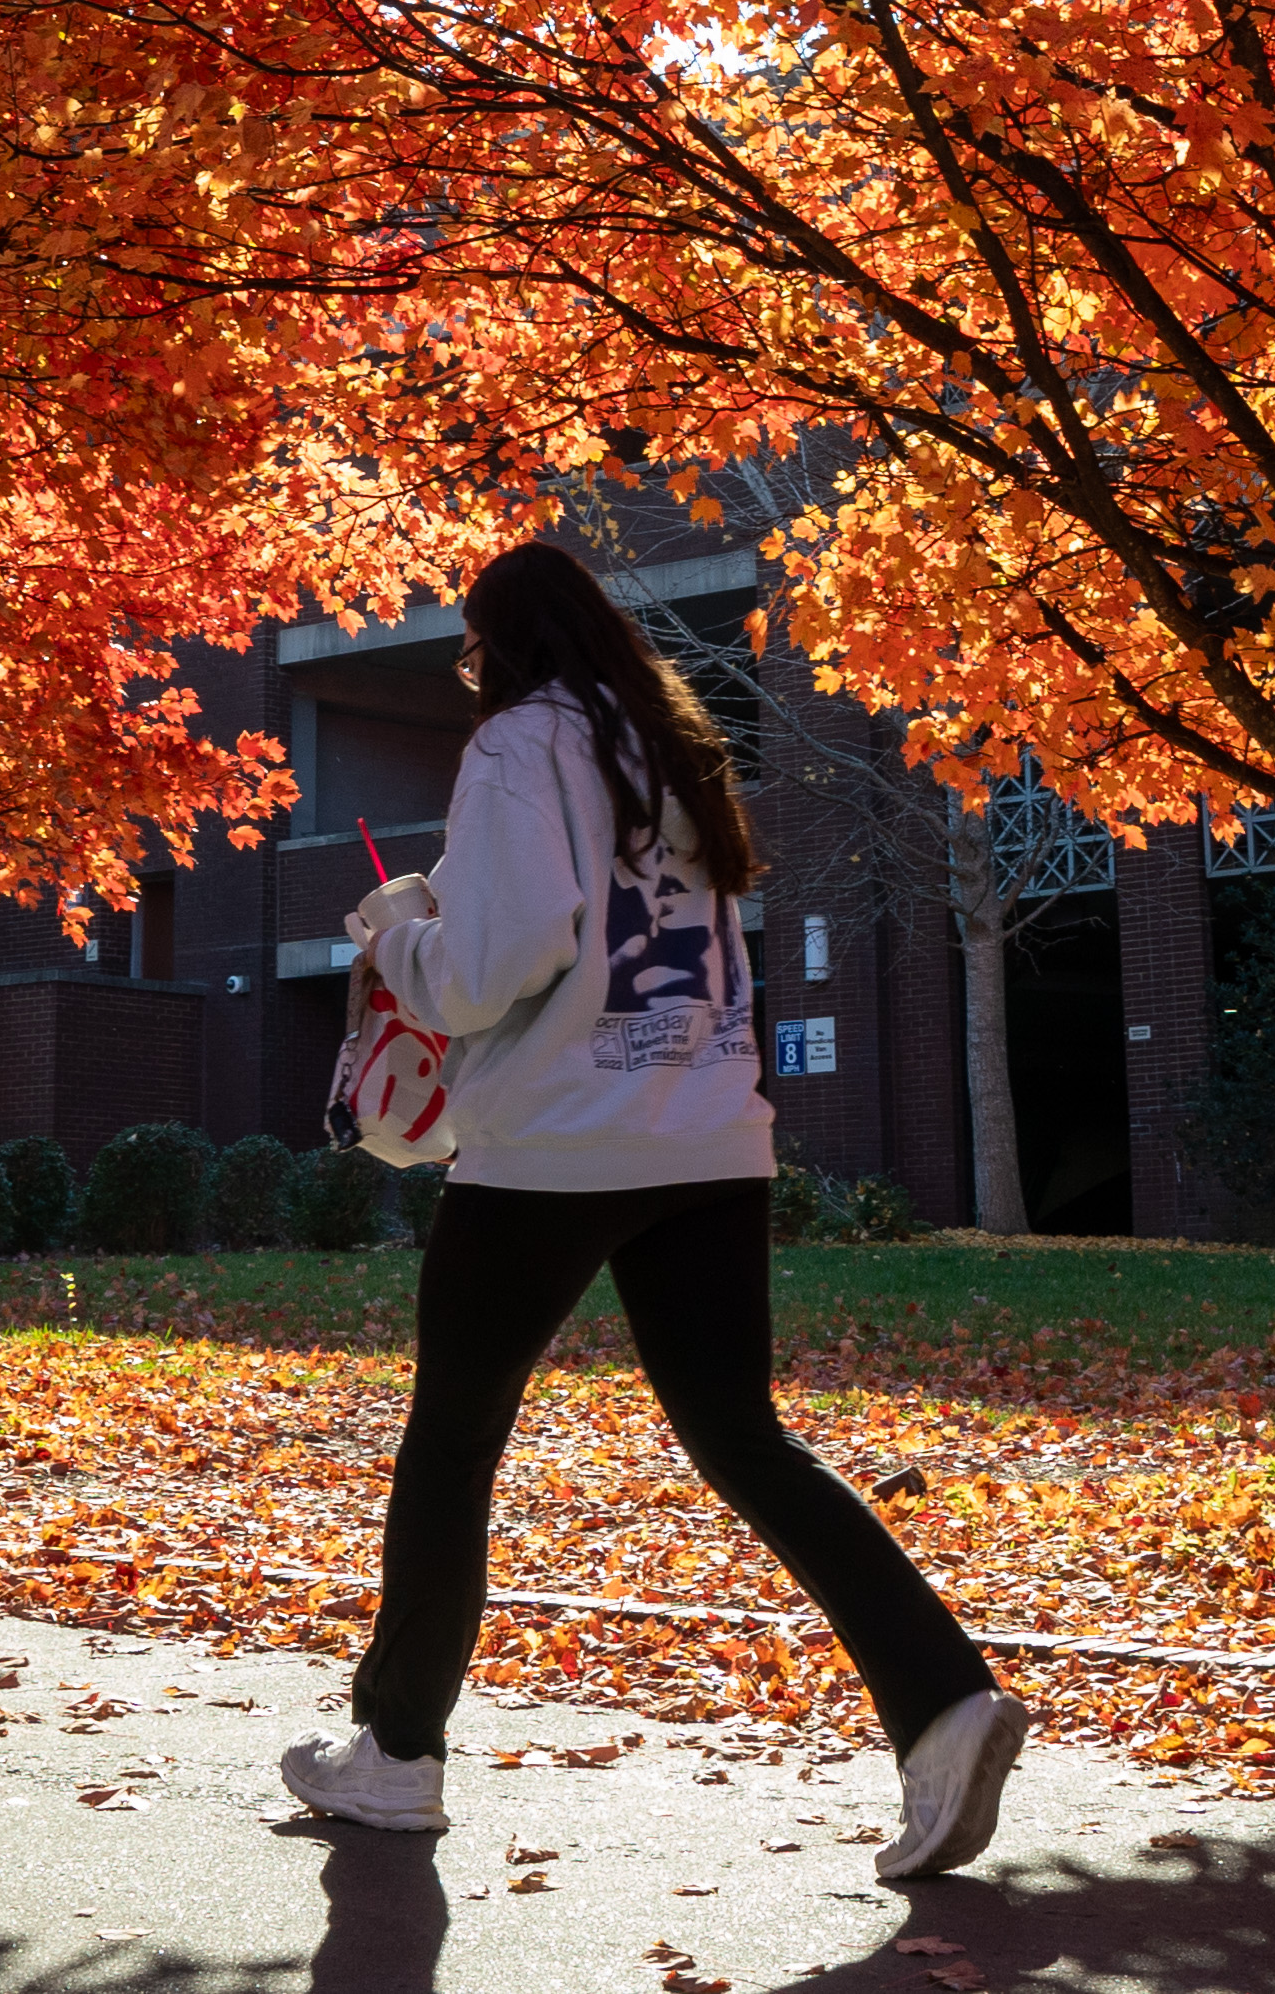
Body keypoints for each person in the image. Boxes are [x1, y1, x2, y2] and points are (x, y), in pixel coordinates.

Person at [277, 539, 1029, 1882]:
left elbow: (496, 964)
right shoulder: (674, 751)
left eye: (470, 650)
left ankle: (395, 1754)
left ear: (498, 645)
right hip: (706, 1134)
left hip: (557, 1146)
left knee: (451, 1441)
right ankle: (941, 1700)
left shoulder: (520, 743)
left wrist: (393, 930)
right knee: (747, 1440)